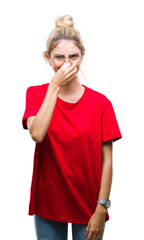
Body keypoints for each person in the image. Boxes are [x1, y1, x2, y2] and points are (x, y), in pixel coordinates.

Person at [22, 14, 122, 240]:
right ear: (48, 58)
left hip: (89, 206)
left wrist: (101, 207)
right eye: (59, 57)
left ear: (82, 56)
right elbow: (37, 134)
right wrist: (54, 87)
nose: (67, 63)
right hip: (49, 203)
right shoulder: (36, 94)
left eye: (73, 56)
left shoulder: (101, 103)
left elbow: (107, 160)